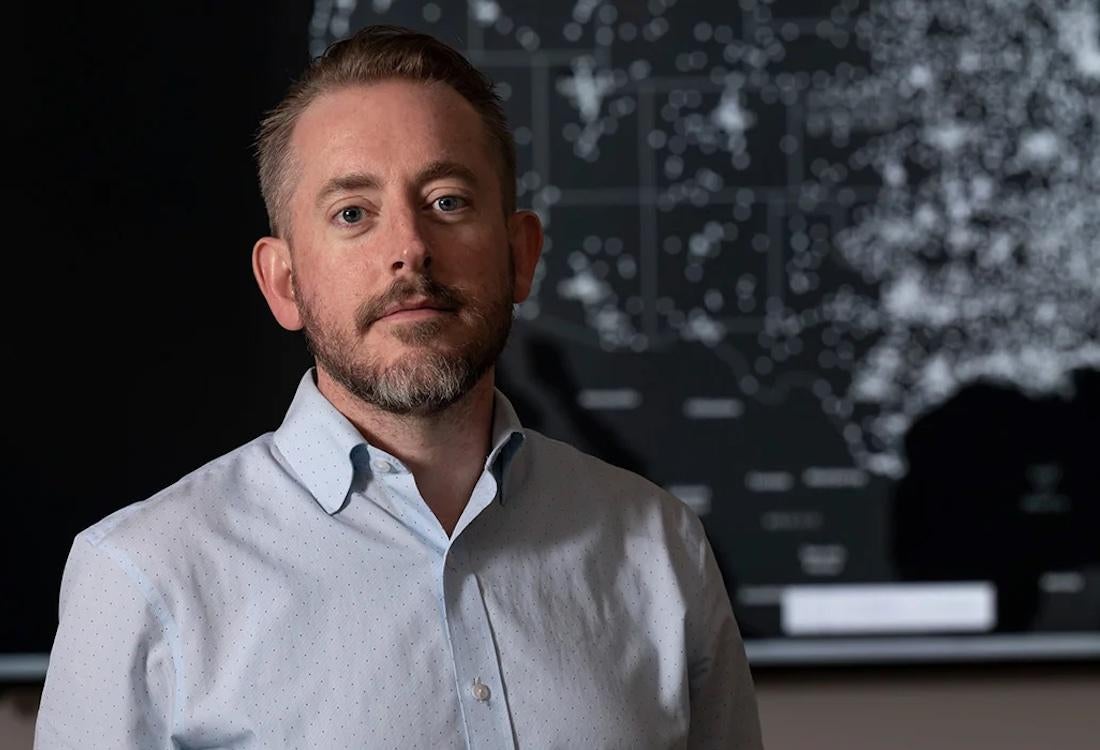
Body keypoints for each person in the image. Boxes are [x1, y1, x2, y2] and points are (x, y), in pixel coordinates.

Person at [35, 25, 763, 749]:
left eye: (447, 201)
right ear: (284, 283)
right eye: (353, 213)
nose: (409, 247)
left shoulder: (661, 549)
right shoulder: (140, 578)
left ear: (520, 256)